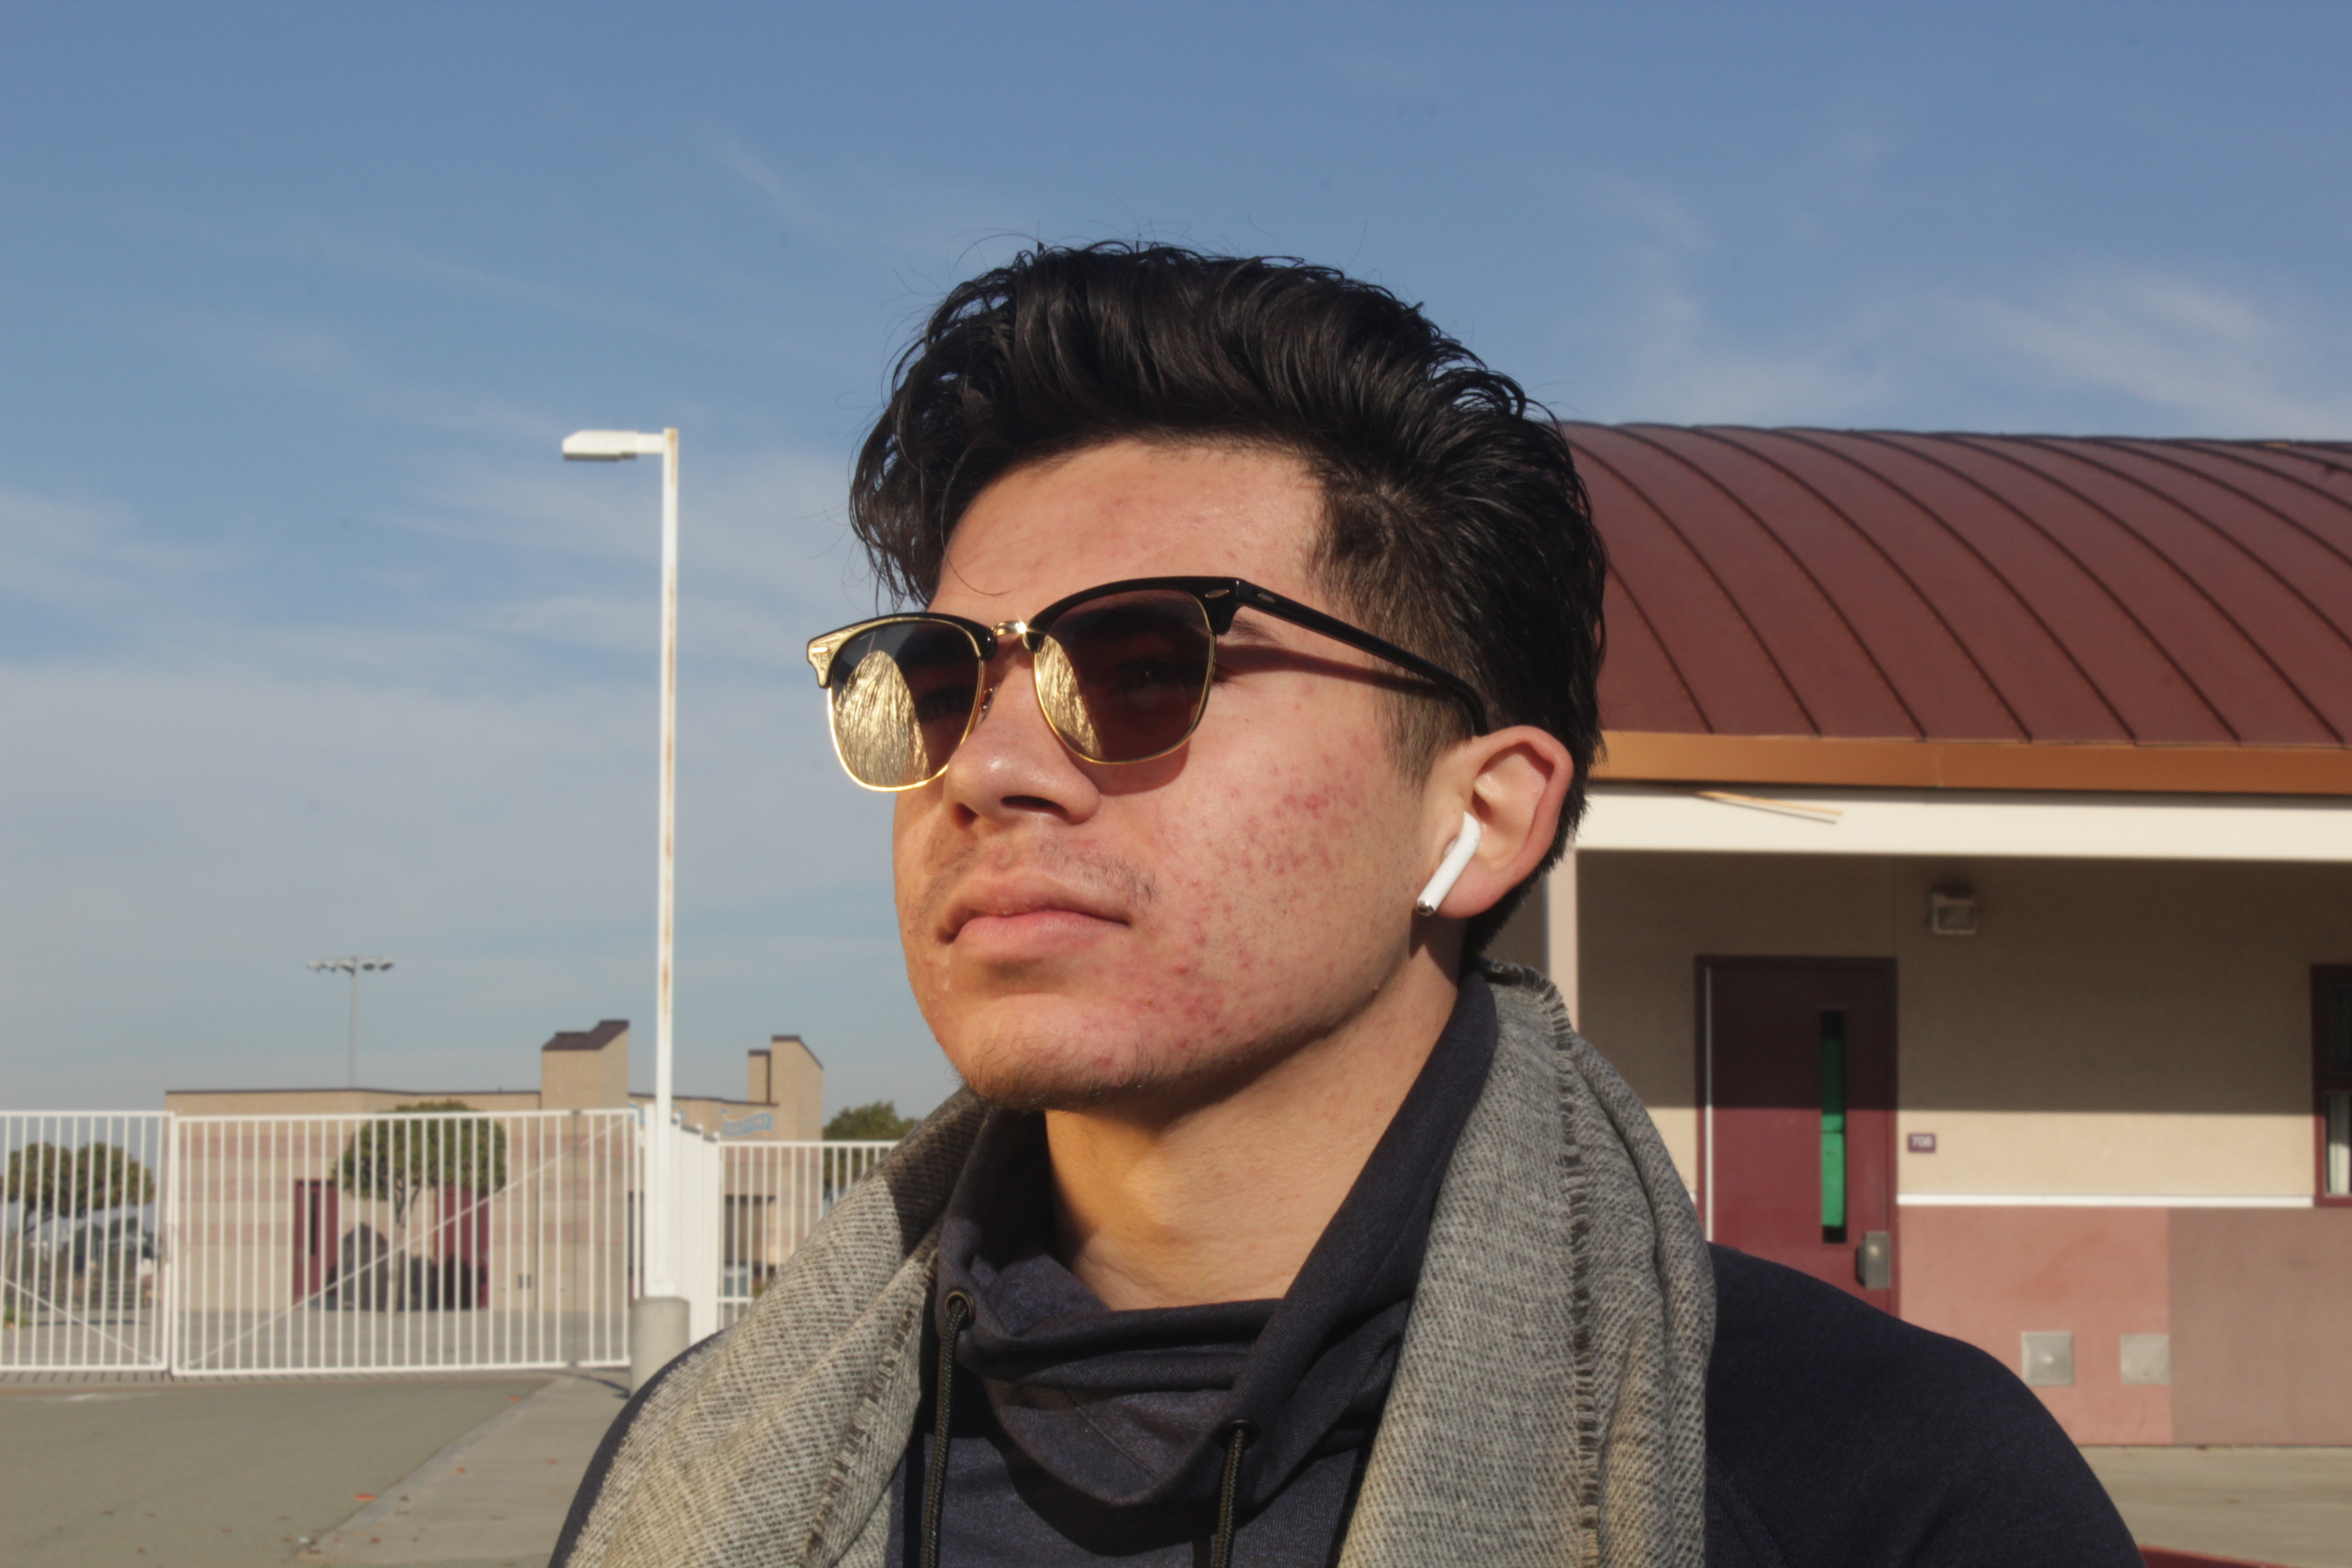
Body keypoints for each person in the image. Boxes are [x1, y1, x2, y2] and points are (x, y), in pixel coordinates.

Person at [553, 244, 2142, 1568]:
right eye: (937, 682)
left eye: (1147, 665)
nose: (985, 771)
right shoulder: (705, 1460)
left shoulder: (1867, 1485)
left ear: (1478, 817)